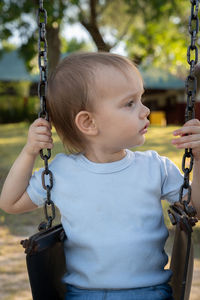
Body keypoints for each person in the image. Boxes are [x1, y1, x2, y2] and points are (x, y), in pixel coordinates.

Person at [0, 52, 200, 300]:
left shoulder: (155, 167)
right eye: (130, 103)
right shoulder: (62, 172)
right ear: (88, 123)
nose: (145, 110)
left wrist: (199, 161)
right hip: (82, 294)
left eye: (141, 99)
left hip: (149, 292)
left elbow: (195, 209)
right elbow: (11, 203)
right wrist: (30, 152)